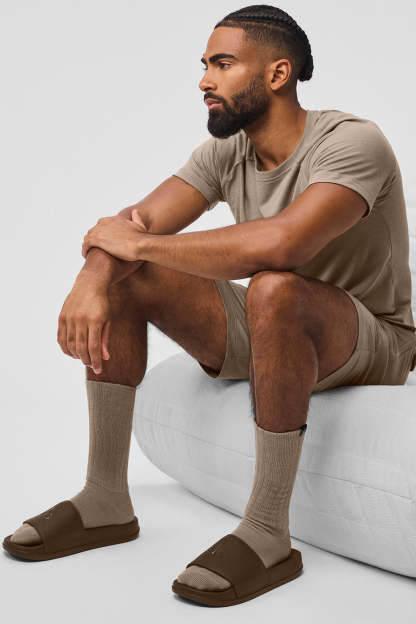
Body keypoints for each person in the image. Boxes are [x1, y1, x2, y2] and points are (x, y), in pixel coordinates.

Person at [3, 3, 416, 607]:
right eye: (204, 66)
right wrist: (93, 280)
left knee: (271, 285)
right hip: (275, 324)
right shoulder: (228, 152)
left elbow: (283, 244)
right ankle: (104, 497)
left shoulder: (352, 142)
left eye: (222, 64)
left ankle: (268, 531)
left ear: (277, 74)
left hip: (373, 341)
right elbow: (137, 223)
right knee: (133, 273)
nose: (204, 80)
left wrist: (138, 244)